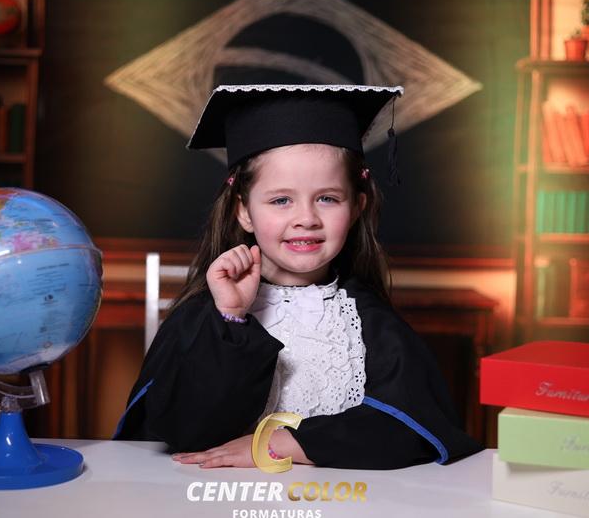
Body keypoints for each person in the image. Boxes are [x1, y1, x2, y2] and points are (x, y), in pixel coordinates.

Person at [113, 84, 483, 469]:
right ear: (244, 211)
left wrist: (283, 444)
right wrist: (232, 319)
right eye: (281, 200)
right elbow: (187, 430)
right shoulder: (206, 317)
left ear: (357, 207)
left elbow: (411, 427)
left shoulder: (371, 323)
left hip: (341, 496)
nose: (306, 218)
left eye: (327, 198)